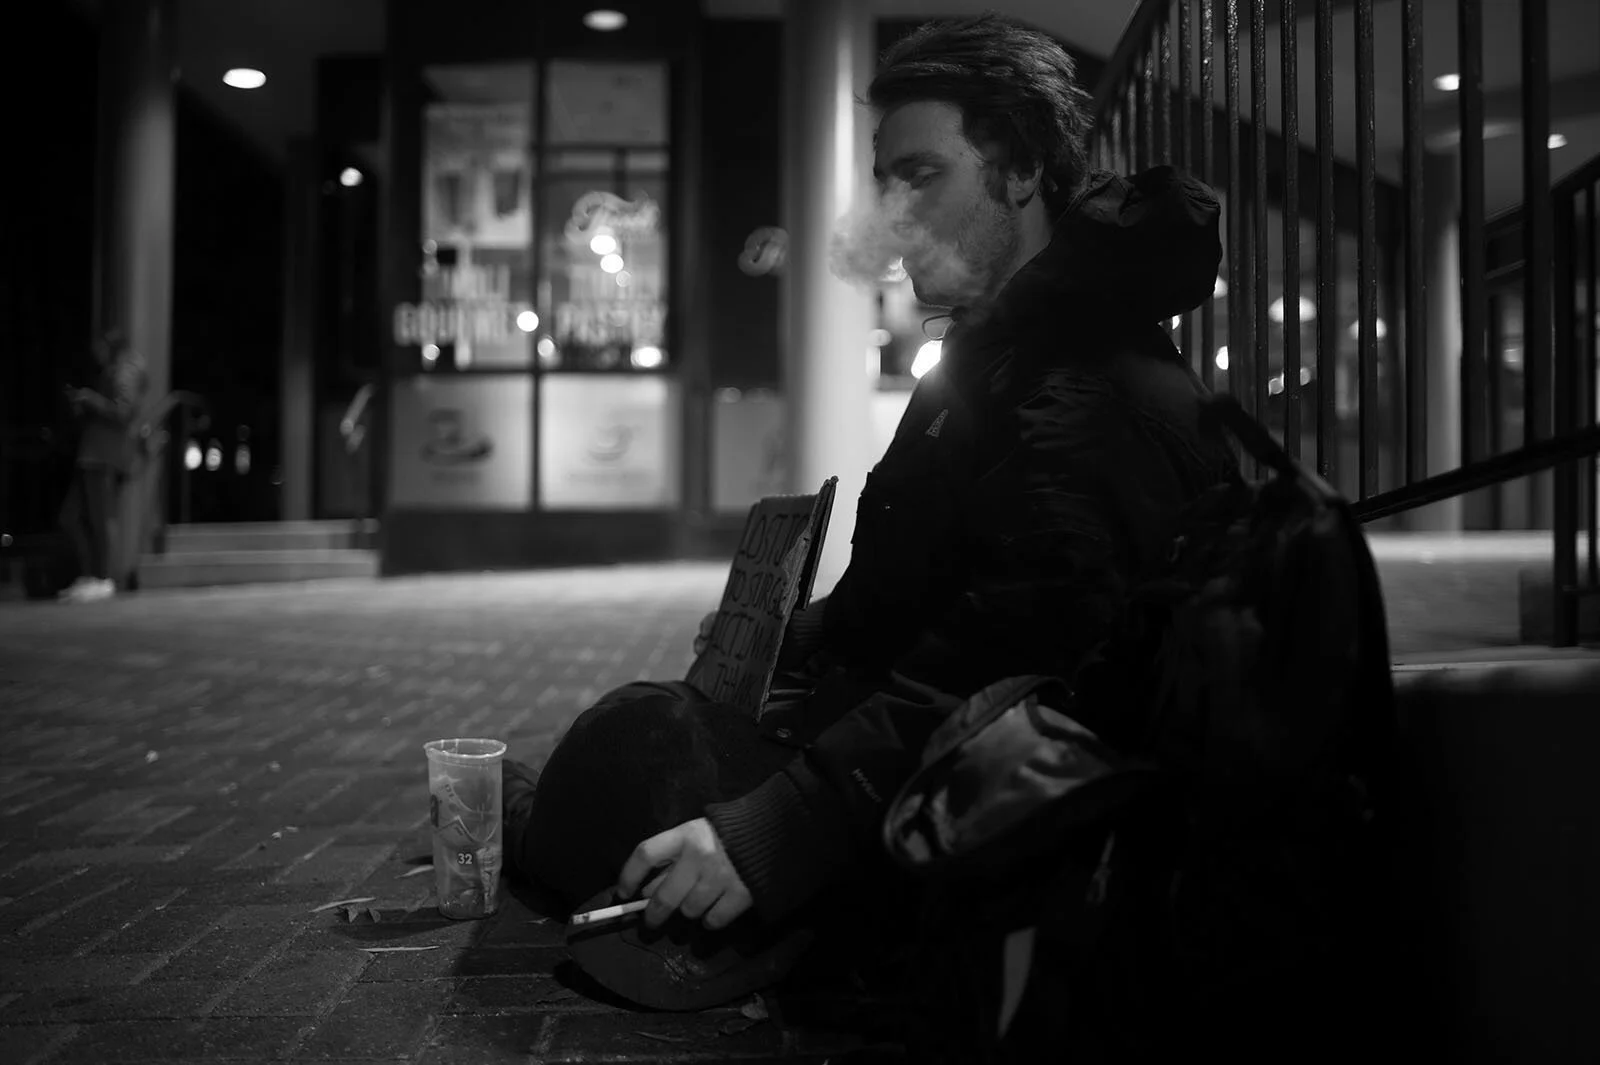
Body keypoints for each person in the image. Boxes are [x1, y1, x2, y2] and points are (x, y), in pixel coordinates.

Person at [502, 11, 1237, 1007]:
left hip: (973, 837)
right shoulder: (996, 357)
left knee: (639, 743)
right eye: (884, 180)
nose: (891, 213)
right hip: (901, 787)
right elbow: (924, 595)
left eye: (921, 174)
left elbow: (1021, 664)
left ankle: (545, 818)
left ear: (1018, 169)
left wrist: (772, 832)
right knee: (650, 733)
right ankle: (550, 811)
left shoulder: (1087, 385)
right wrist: (797, 638)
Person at [57, 329, 148, 602]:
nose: (94, 352)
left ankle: (103, 577)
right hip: (93, 453)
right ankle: (91, 575)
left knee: (99, 518)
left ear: (110, 345)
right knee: (71, 518)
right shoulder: (115, 369)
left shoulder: (126, 370)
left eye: (98, 345)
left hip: (104, 455)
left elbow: (123, 411)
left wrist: (90, 399)